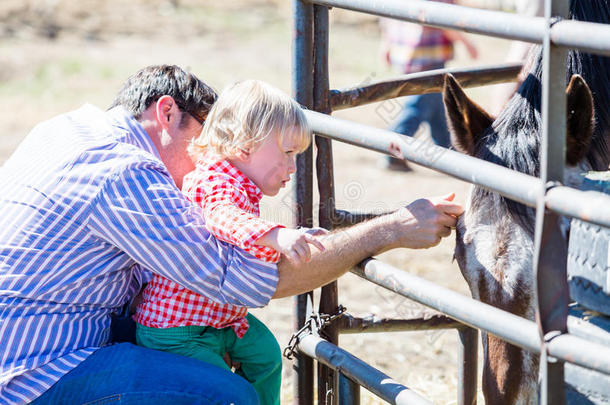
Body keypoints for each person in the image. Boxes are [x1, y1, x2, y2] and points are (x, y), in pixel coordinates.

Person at [0, 64, 463, 405]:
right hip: (38, 370)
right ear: (167, 114)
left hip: (42, 336)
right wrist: (391, 229)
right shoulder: (124, 173)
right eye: (204, 140)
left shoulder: (67, 129)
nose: (211, 158)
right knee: (228, 397)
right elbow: (237, 277)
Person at [134, 80, 323, 405]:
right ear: (245, 146)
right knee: (226, 392)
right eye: (288, 153)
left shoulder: (239, 181)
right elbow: (222, 217)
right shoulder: (218, 180)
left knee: (265, 354)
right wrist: (279, 235)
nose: (293, 166)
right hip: (177, 330)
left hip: (218, 318)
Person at [379, 0, 478, 170]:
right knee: (417, 108)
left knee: (436, 106)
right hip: (429, 57)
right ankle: (393, 149)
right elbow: (446, 21)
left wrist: (386, 45)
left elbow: (389, 18)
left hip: (407, 54)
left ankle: (449, 151)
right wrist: (467, 43)